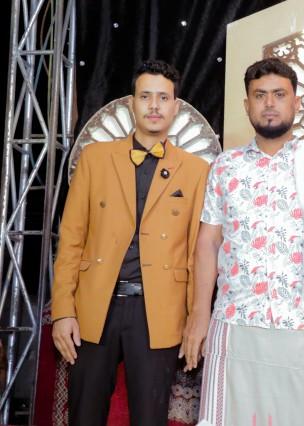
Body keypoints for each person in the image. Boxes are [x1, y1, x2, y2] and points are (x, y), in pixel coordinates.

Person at [180, 58, 304, 426]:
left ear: (297, 102)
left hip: (303, 325)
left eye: (279, 94)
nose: (270, 103)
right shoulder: (225, 166)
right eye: (260, 96)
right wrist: (199, 313)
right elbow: (208, 242)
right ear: (247, 105)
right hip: (234, 321)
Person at [51, 59, 209, 426]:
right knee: (84, 414)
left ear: (176, 106)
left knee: (150, 417)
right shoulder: (95, 159)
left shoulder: (197, 170)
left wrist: (194, 321)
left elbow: (195, 253)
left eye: (163, 98)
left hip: (159, 310)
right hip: (95, 306)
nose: (154, 106)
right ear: (131, 103)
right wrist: (63, 311)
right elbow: (71, 239)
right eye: (145, 96)